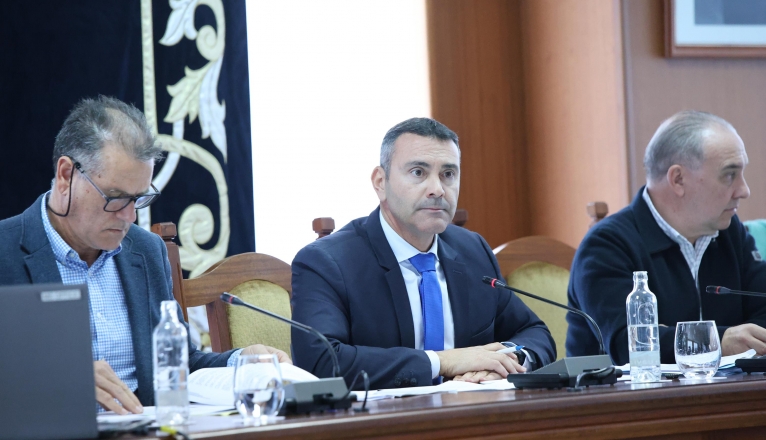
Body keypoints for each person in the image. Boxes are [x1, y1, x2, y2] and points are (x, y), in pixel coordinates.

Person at [0, 96, 290, 414]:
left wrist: (241, 362)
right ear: (66, 175)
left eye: (139, 199)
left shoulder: (146, 251)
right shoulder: (6, 250)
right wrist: (58, 378)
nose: (130, 217)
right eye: (115, 198)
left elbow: (180, 364)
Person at [291, 117, 555, 390]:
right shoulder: (327, 262)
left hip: (472, 411)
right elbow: (321, 362)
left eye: (448, 174)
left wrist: (504, 362)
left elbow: (534, 333)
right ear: (380, 182)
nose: (437, 189)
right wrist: (442, 362)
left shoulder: (472, 250)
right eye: (418, 172)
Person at [567, 110, 766, 365]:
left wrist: (673, 337)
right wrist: (717, 340)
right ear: (678, 179)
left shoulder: (729, 231)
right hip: (620, 391)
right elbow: (628, 346)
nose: (744, 190)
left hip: (728, 389)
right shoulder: (606, 246)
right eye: (729, 175)